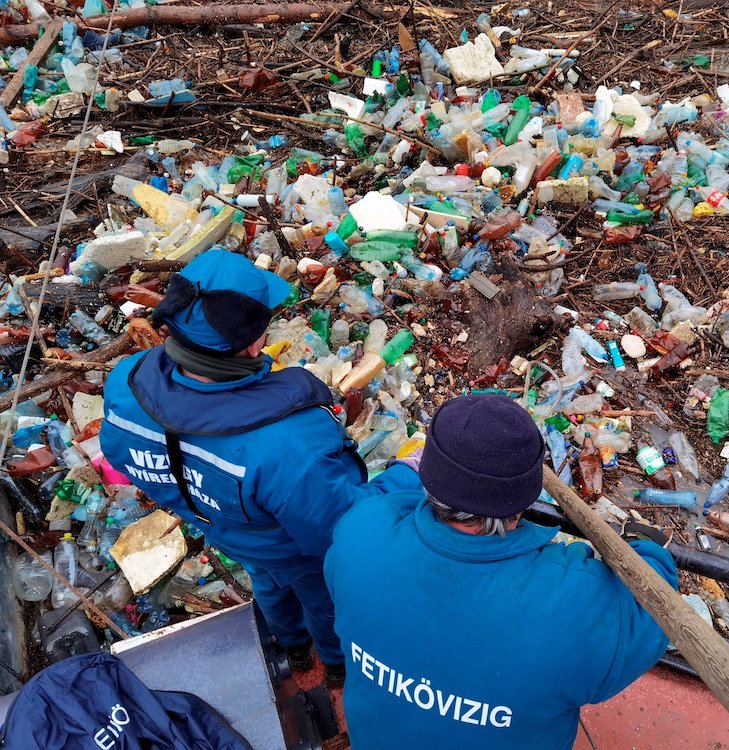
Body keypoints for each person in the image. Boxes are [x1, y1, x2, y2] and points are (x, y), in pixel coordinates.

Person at [101, 250, 421, 685]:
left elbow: (120, 457)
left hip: (224, 527)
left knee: (267, 582)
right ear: (253, 345)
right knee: (325, 600)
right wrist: (408, 474)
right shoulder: (287, 439)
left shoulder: (127, 381)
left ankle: (291, 647)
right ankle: (337, 666)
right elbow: (343, 529)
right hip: (294, 548)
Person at [324, 393, 678, 749]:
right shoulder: (574, 605)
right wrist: (649, 550)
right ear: (523, 499)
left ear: (428, 475)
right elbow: (653, 610)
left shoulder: (360, 532)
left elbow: (392, 506)